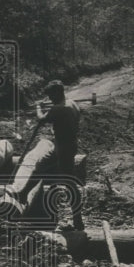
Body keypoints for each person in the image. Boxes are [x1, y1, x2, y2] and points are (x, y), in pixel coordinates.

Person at [33, 79, 84, 231]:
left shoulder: (60, 108)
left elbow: (41, 119)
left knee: (69, 183)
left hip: (64, 147)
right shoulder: (72, 103)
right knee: (41, 165)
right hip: (68, 144)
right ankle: (45, 211)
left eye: (51, 95)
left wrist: (38, 107)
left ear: (58, 93)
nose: (50, 99)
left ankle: (77, 220)